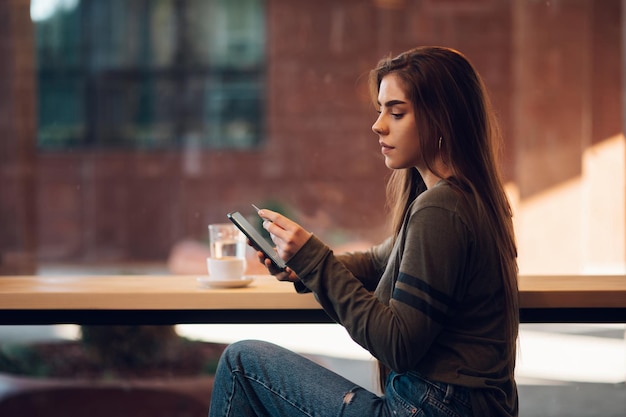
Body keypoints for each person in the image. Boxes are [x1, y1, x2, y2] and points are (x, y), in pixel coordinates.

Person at [208, 46, 519, 417]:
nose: (378, 124)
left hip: (431, 409)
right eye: (380, 110)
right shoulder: (471, 197)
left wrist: (315, 261)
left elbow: (398, 344)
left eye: (397, 112)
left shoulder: (442, 208)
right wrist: (303, 265)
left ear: (443, 119)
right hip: (460, 406)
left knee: (241, 364)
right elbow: (378, 261)